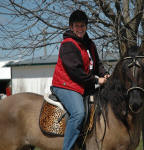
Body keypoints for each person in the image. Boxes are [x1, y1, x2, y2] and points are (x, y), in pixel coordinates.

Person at [52, 9, 109, 150]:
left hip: (82, 85)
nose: (80, 29)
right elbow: (76, 72)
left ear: (86, 26)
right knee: (79, 113)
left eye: (83, 25)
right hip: (65, 85)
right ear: (71, 27)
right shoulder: (68, 44)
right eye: (77, 26)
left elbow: (97, 64)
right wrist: (97, 81)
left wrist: (105, 74)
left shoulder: (90, 44)